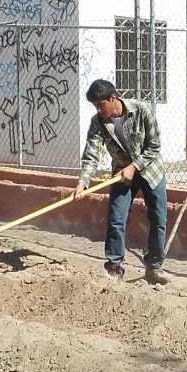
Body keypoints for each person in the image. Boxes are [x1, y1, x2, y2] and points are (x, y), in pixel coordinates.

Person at [74, 79, 169, 284]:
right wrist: (83, 182)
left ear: (113, 98)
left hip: (150, 171)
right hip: (122, 175)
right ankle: (114, 267)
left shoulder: (143, 110)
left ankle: (154, 267)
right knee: (116, 219)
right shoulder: (98, 122)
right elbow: (91, 155)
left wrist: (134, 166)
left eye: (101, 104)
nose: (98, 110)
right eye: (95, 106)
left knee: (158, 219)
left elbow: (154, 146)